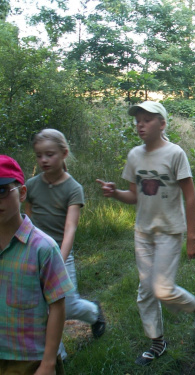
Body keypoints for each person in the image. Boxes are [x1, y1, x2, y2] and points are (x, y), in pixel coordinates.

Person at [96, 101, 195, 366]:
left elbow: (190, 198)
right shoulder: (135, 155)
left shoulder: (175, 154)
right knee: (146, 291)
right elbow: (134, 196)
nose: (140, 124)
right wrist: (115, 194)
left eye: (147, 119)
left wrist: (192, 238)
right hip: (143, 233)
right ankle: (157, 342)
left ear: (162, 123)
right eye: (138, 120)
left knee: (162, 289)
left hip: (169, 231)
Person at [25, 129, 106, 360]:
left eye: (49, 154)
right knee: (41, 308)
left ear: (64, 154)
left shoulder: (73, 189)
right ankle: (57, 356)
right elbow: (28, 223)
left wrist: (59, 258)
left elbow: (70, 227)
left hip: (61, 254)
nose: (43, 160)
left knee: (67, 306)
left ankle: (93, 312)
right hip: (34, 255)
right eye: (39, 155)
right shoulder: (31, 185)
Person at [0, 155, 74, 375]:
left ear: (22, 193)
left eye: (2, 191)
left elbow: (58, 306)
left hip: (30, 359)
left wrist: (48, 363)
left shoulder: (43, 248)